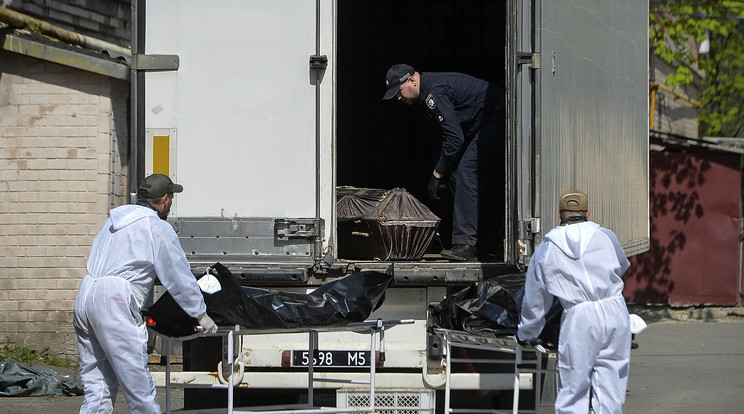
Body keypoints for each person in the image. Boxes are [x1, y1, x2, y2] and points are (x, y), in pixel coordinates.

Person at [73, 173, 218, 413]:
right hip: (114, 301)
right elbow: (177, 276)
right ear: (164, 199)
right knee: (139, 389)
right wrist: (201, 314)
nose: (170, 204)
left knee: (97, 388)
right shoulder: (157, 227)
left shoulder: (111, 222)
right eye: (171, 198)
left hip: (86, 295)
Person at [517, 190, 631, 414]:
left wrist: (527, 332)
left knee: (574, 387)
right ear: (587, 212)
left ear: (559, 214)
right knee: (611, 386)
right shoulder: (607, 236)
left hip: (579, 316)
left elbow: (536, 300)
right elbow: (621, 266)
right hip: (614, 309)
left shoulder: (547, 248)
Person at [383, 63, 505, 261]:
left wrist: (437, 174)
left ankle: (466, 245)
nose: (398, 97)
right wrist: (444, 172)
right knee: (458, 176)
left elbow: (455, 138)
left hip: (497, 117)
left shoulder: (433, 93)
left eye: (399, 91)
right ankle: (479, 243)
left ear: (412, 81)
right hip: (487, 121)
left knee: (467, 172)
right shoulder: (430, 89)